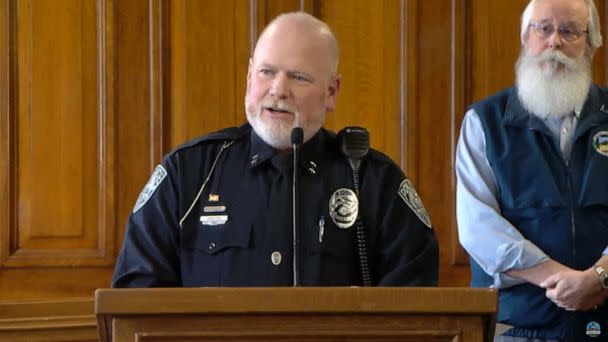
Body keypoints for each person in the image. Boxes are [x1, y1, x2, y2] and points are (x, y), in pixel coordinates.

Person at [112, 12, 439, 288]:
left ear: (331, 91)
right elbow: (134, 298)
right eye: (267, 72)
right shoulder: (187, 174)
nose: (278, 90)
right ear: (249, 76)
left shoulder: (372, 180)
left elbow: (418, 304)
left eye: (298, 77)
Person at [456, 0, 608, 340]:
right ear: (525, 37)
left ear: (590, 45)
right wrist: (560, 279)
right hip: (517, 327)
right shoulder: (484, 122)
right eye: (544, 28)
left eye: (569, 30)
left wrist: (599, 276)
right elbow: (478, 227)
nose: (554, 42)